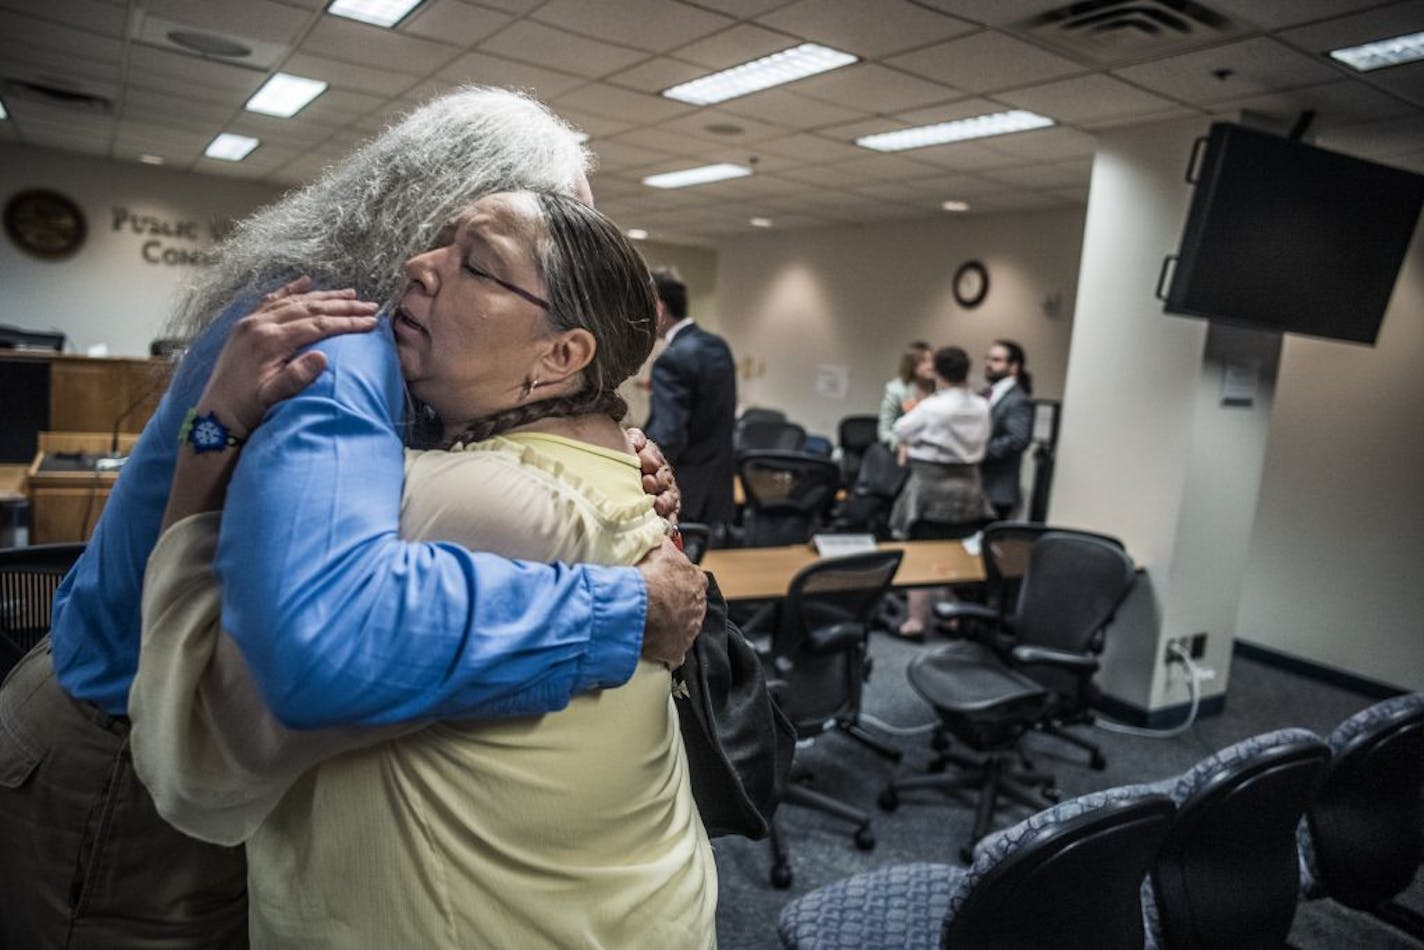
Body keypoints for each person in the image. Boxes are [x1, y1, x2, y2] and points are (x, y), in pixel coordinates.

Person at [0, 86, 703, 949]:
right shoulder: (333, 338)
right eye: (465, 245)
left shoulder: (396, 338)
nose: (434, 267)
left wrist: (593, 426)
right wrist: (630, 608)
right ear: (436, 210)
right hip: (118, 755)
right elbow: (323, 635)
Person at [889, 346, 991, 637]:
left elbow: (900, 429)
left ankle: (916, 621)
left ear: (938, 372)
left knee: (919, 551)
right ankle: (950, 618)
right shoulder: (981, 405)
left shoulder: (934, 406)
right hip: (970, 487)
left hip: (932, 487)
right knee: (954, 553)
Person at [644, 266, 737, 527]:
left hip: (685, 490)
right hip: (719, 487)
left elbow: (668, 435)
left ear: (659, 309)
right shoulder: (718, 345)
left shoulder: (672, 359)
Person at [981, 339, 1035, 520]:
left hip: (998, 489)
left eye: (996, 360)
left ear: (1013, 367)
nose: (989, 364)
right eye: (988, 359)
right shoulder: (986, 393)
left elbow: (1018, 439)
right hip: (979, 486)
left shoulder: (1018, 399)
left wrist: (979, 452)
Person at [878, 340, 936, 447]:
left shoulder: (941, 389)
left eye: (932, 361)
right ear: (911, 365)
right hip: (905, 448)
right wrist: (899, 445)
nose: (931, 366)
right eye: (924, 361)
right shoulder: (896, 390)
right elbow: (884, 431)